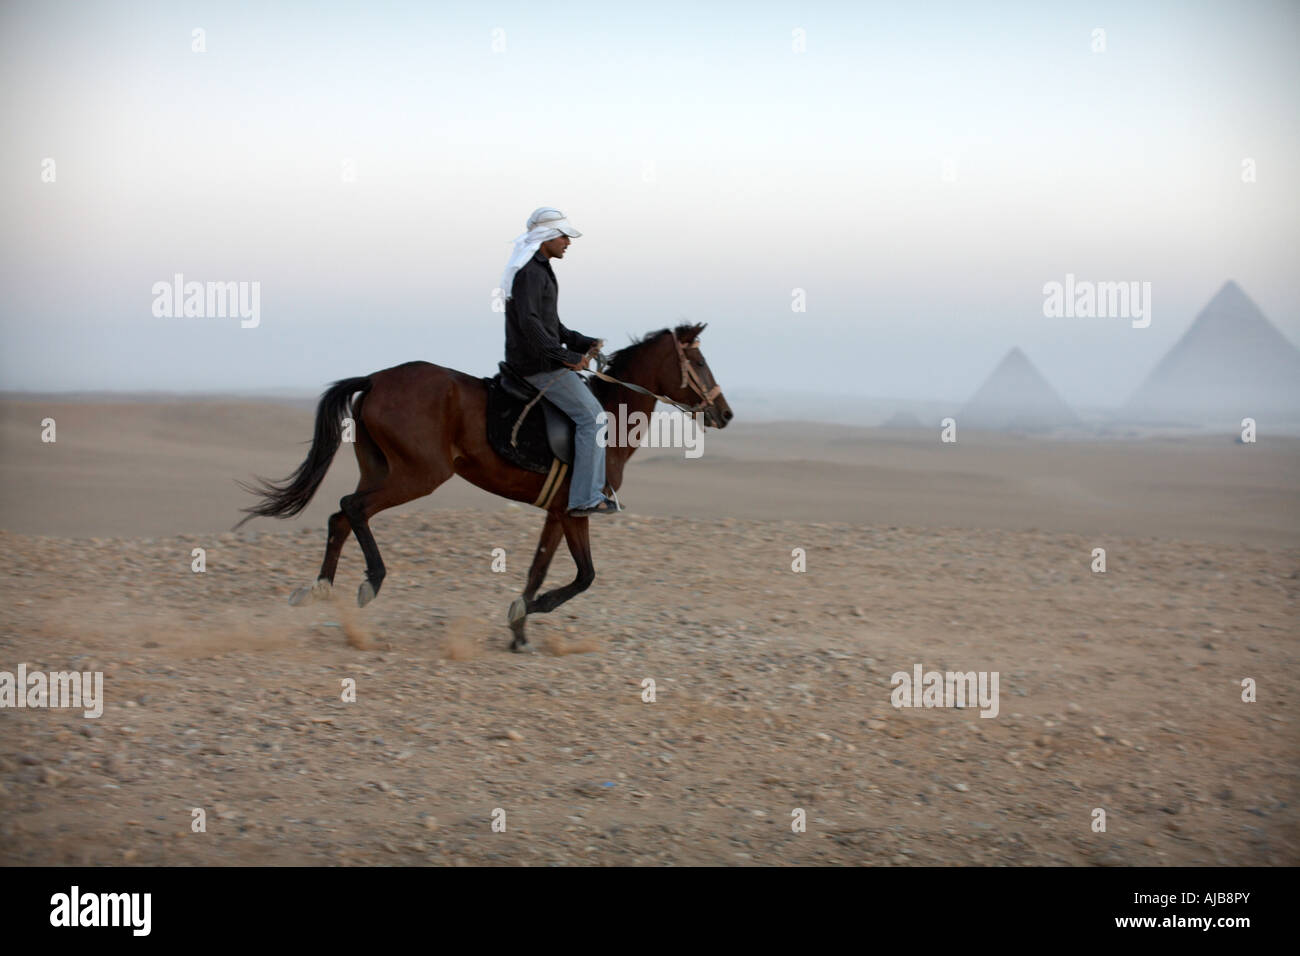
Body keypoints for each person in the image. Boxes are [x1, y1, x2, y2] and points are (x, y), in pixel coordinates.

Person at [500, 207, 622, 517]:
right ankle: (585, 497)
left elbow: (551, 324)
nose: (569, 242)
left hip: (543, 359)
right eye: (564, 236)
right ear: (547, 238)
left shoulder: (539, 270)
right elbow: (529, 325)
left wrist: (581, 342)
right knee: (593, 417)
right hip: (536, 366)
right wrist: (565, 357)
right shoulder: (530, 273)